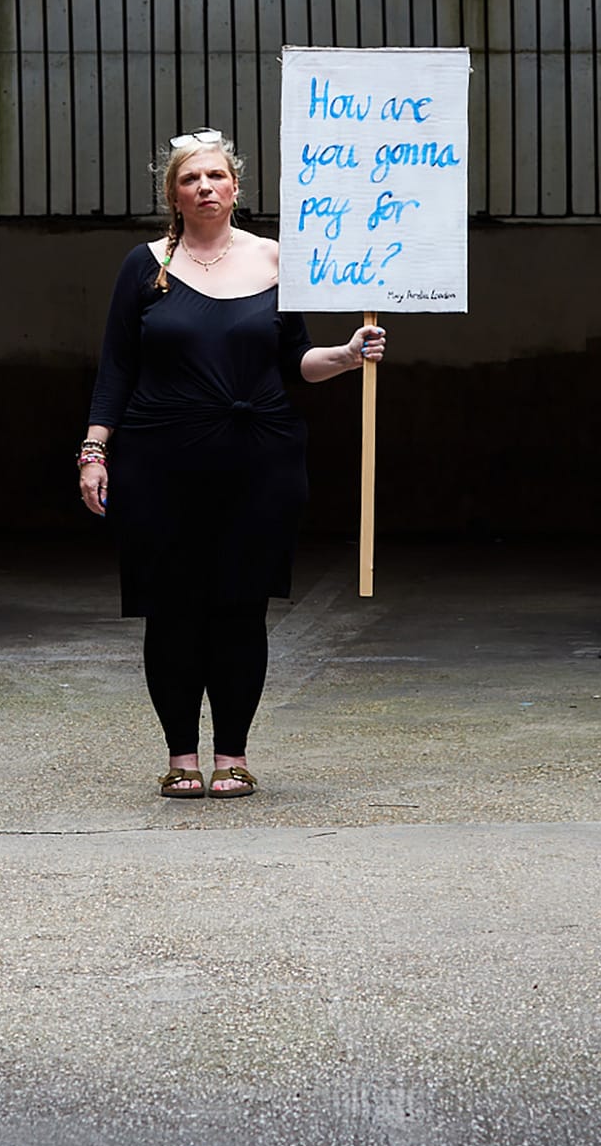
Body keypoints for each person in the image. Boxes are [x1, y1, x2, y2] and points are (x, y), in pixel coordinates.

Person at [78, 130, 386, 798]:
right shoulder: (146, 265)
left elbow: (294, 362)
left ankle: (233, 758)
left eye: (216, 176)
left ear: (236, 187)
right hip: (161, 459)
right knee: (172, 608)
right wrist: (94, 450)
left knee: (240, 609)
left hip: (259, 459)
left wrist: (348, 353)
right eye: (190, 180)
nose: (205, 188)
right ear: (174, 194)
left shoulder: (278, 260)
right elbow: (116, 369)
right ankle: (181, 759)